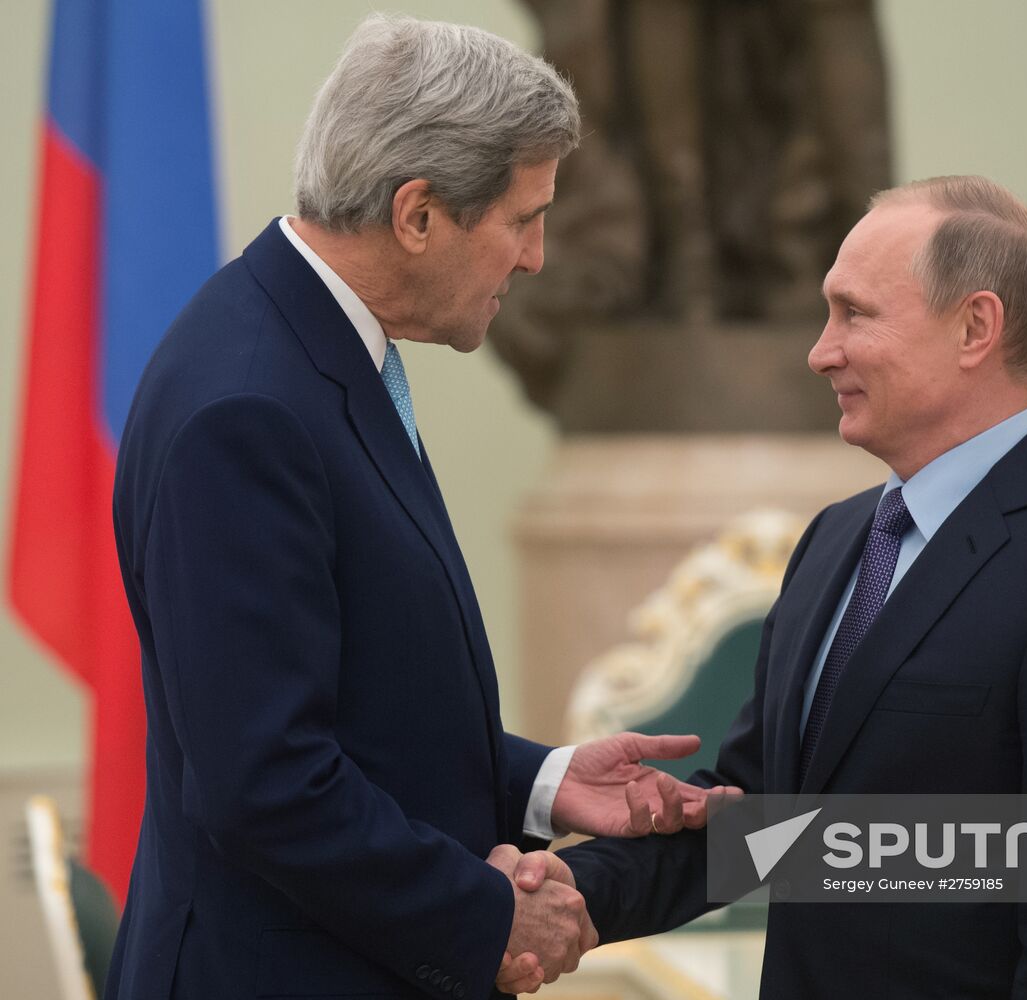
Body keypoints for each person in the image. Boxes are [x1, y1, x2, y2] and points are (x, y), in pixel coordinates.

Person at [106, 16, 731, 1000]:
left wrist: (542, 780)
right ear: (418, 214)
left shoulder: (308, 351)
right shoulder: (249, 407)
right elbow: (265, 784)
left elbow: (356, 697)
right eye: (522, 219)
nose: (534, 258)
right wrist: (491, 916)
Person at [542, 176, 1027, 998]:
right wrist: (566, 895)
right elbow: (755, 821)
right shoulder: (833, 541)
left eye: (854, 313)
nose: (821, 350)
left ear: (975, 327)